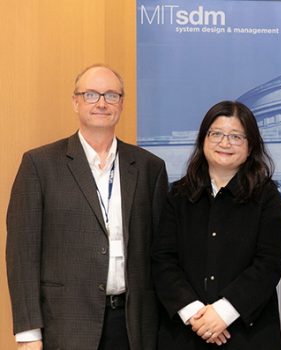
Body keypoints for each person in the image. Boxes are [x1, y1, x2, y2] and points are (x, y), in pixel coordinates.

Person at [6, 64, 169, 349]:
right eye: (91, 94)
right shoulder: (40, 164)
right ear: (75, 101)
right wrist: (28, 333)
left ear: (122, 103)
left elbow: (160, 252)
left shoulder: (149, 168)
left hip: (133, 327)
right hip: (66, 324)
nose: (102, 103)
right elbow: (22, 254)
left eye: (111, 95)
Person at [152, 100, 281, 349]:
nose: (225, 143)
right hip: (186, 333)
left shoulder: (266, 196)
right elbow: (163, 260)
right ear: (203, 139)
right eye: (216, 134)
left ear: (250, 146)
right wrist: (196, 315)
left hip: (248, 333)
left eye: (236, 136)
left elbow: (269, 262)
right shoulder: (179, 195)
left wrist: (224, 312)